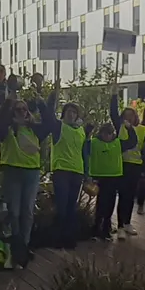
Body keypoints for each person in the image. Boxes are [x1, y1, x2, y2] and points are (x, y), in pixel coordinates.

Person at [0, 92, 54, 266]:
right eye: (17, 109)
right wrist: (8, 102)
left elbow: (51, 123)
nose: (21, 111)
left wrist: (42, 103)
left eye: (24, 109)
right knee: (14, 212)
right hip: (12, 172)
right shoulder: (7, 128)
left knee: (27, 211)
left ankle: (23, 247)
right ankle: (17, 245)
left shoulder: (35, 128)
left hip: (31, 173)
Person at [49, 87, 90, 249]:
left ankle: (69, 238)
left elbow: (85, 152)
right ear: (64, 113)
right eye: (68, 111)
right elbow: (49, 115)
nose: (71, 114)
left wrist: (87, 173)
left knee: (71, 206)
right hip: (61, 171)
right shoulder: (59, 127)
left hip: (77, 172)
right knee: (62, 206)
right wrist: (54, 95)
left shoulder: (81, 131)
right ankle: (58, 238)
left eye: (74, 112)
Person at [88, 122, 134, 240]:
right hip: (99, 177)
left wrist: (130, 129)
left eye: (109, 134)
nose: (107, 136)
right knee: (100, 203)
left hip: (114, 177)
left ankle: (105, 229)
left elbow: (132, 142)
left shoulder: (118, 143)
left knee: (110, 203)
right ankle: (96, 228)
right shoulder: (94, 143)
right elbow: (83, 146)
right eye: (104, 134)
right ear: (101, 133)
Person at [111, 95, 145, 240]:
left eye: (131, 115)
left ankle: (127, 223)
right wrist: (114, 95)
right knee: (123, 195)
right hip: (123, 165)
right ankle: (119, 225)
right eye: (126, 116)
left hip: (136, 165)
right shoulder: (120, 127)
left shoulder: (142, 129)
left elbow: (144, 149)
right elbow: (113, 112)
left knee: (131, 196)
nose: (129, 118)